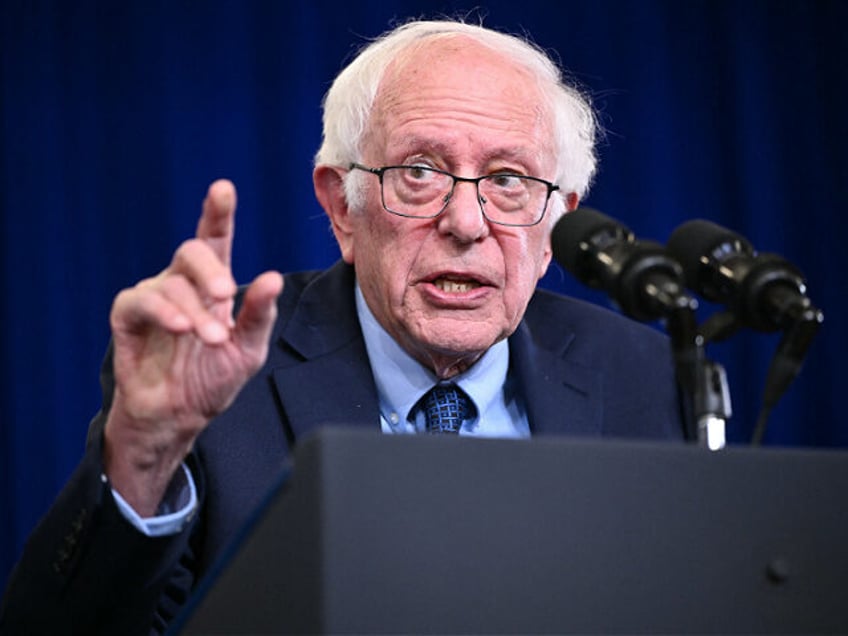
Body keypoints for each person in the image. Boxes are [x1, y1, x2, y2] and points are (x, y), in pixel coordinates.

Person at [0, 18, 682, 635]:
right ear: (342, 208)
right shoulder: (215, 379)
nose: (467, 223)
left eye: (509, 180)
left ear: (554, 227)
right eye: (420, 171)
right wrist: (144, 459)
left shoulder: (640, 376)